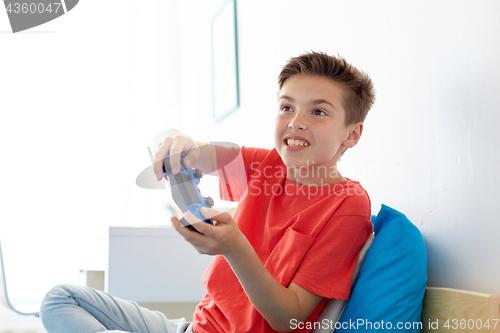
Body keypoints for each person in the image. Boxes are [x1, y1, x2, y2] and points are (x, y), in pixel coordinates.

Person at [40, 51, 376, 333]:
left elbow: (290, 320)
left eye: (318, 112)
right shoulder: (267, 166)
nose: (295, 121)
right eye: (287, 107)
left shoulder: (348, 205)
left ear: (353, 134)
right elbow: (180, 147)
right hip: (193, 327)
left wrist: (235, 249)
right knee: (59, 299)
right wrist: (172, 141)